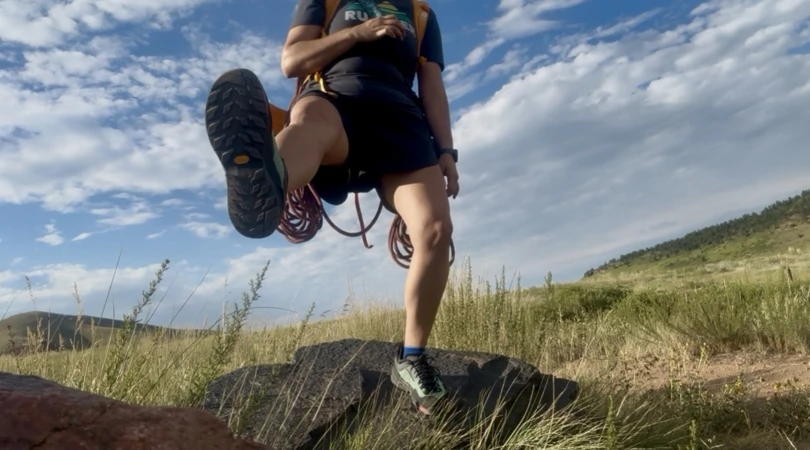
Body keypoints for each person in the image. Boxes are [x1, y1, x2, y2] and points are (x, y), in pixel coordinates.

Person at [203, 0, 459, 415]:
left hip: (400, 120)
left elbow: (431, 85)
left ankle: (412, 357)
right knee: (309, 127)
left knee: (434, 230)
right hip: (334, 97)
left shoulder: (421, 14)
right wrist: (358, 33)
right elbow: (293, 60)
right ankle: (267, 177)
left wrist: (446, 150)